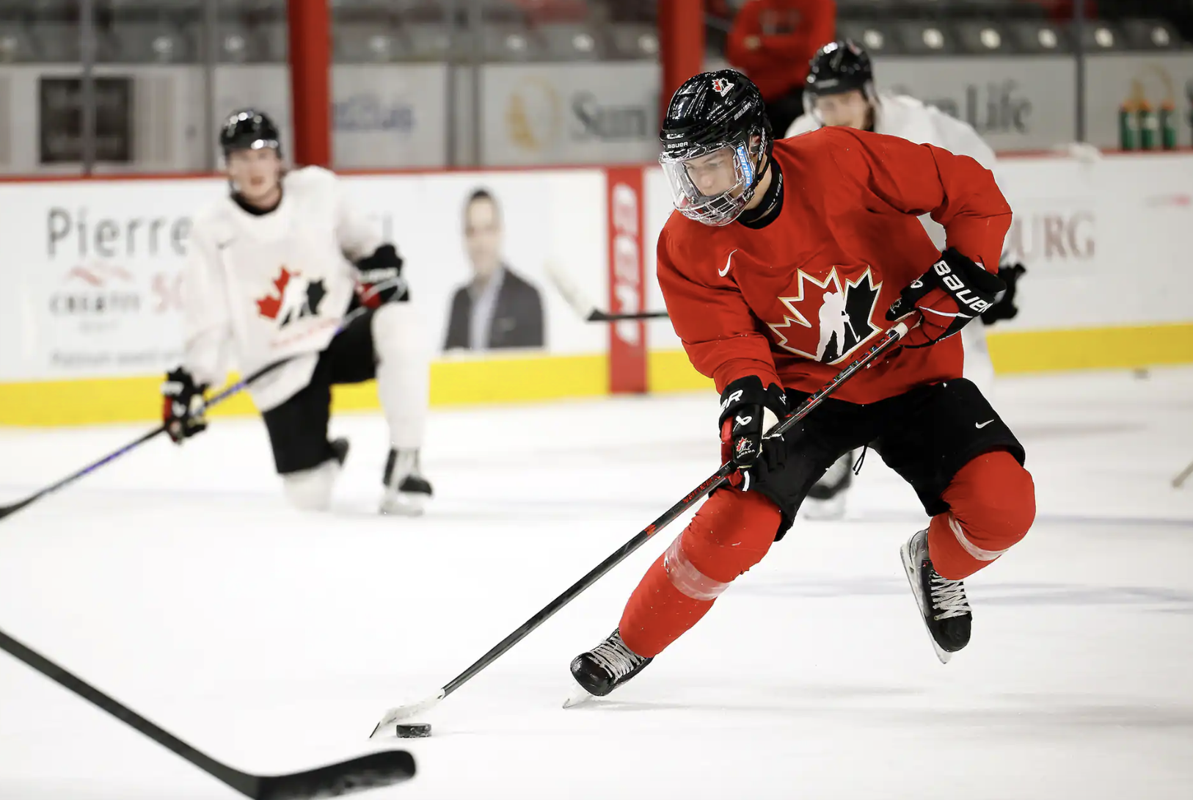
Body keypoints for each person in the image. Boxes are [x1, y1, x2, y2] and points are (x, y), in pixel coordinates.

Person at [568, 71, 1036, 701]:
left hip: (912, 365)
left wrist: (970, 262)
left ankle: (937, 562)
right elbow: (726, 343)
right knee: (735, 521)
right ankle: (631, 641)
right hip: (805, 392)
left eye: (714, 164)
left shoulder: (840, 156)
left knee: (1004, 505)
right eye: (689, 169)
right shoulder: (685, 244)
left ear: (756, 145)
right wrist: (746, 399)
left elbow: (971, 190)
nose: (700, 186)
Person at [787, 40, 1028, 519]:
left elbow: (986, 188)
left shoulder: (924, 129)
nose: (832, 112)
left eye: (843, 99)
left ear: (869, 94)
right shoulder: (800, 137)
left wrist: (998, 263)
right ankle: (824, 469)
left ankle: (969, 483)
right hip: (851, 283)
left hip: (935, 274)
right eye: (823, 102)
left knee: (963, 376)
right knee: (829, 371)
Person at [161, 109, 433, 516]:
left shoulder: (318, 191)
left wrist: (383, 266)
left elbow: (365, 245)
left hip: (337, 334)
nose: (254, 167)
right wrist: (194, 382)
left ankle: (405, 463)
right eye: (240, 157)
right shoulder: (212, 229)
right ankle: (323, 457)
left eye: (261, 154)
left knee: (401, 323)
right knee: (309, 498)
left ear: (279, 159)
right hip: (279, 363)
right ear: (228, 167)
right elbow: (209, 315)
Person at [444, 189, 545, 351]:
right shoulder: (460, 299)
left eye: (488, 229)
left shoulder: (527, 297)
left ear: (500, 232)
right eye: (472, 232)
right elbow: (447, 366)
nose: (480, 242)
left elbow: (533, 371)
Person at [725, 0, 837, 137]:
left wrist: (762, 43)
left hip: (799, 94)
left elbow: (813, 49)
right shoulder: (755, 6)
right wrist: (789, 52)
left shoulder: (818, 4)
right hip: (759, 97)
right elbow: (736, 53)